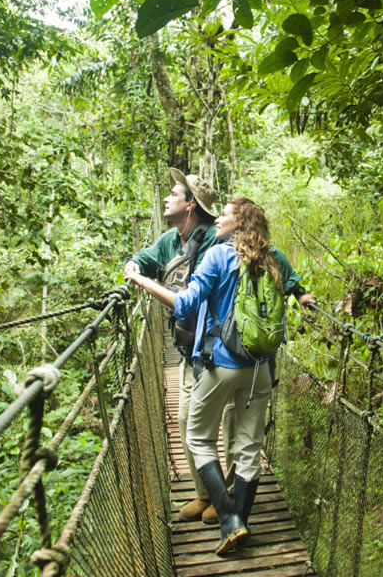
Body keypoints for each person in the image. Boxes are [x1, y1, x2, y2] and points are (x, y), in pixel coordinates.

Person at [126, 197, 316, 554]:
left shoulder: (218, 256)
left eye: (225, 215)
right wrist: (303, 296)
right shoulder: (274, 256)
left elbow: (185, 304)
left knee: (197, 437)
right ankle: (240, 525)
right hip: (261, 367)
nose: (218, 219)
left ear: (240, 223)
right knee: (249, 448)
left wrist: (141, 281)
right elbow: (293, 283)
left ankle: (228, 518)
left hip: (222, 364)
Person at [124, 167, 224, 523]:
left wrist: (141, 281)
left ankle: (224, 501)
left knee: (204, 424)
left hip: (218, 346)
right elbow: (147, 258)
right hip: (187, 347)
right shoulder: (170, 240)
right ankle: (205, 494)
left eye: (173, 194)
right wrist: (134, 263)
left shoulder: (213, 238)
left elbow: (196, 298)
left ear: (191, 204)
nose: (166, 198)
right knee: (185, 421)